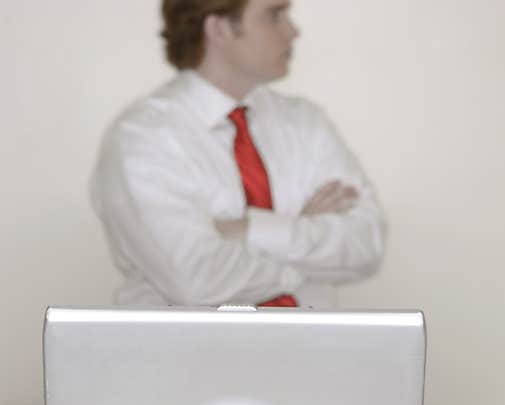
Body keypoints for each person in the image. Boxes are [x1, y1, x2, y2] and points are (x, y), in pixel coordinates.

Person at [90, 0, 387, 308]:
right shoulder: (143, 137)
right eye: (274, 15)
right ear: (218, 28)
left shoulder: (306, 123)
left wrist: (246, 230)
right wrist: (300, 247)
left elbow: (367, 245)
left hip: (308, 354)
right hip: (186, 355)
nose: (293, 31)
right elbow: (197, 278)